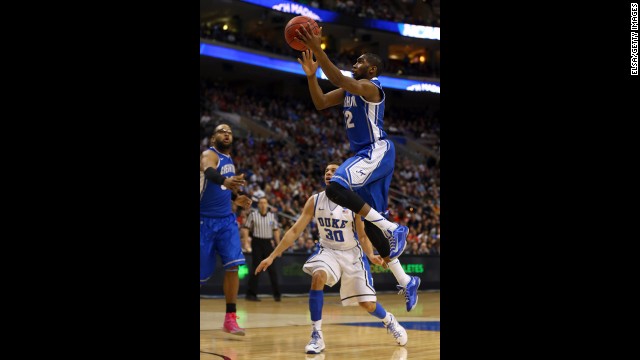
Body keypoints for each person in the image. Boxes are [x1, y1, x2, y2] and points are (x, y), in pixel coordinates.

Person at [294, 25, 421, 311]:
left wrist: (317, 48)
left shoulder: (370, 88)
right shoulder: (349, 89)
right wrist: (312, 76)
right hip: (367, 156)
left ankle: (393, 227)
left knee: (336, 186)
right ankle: (406, 280)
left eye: (361, 61)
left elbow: (338, 76)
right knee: (374, 231)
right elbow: (320, 102)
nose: (356, 63)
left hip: (377, 150)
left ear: (372, 69)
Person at [255, 161, 408, 354]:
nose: (329, 173)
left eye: (333, 171)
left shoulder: (354, 203)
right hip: (328, 251)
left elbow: (362, 235)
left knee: (367, 304)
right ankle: (316, 335)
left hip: (352, 254)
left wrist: (370, 254)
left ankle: (389, 320)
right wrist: (272, 256)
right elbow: (295, 231)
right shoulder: (315, 200)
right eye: (326, 171)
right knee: (318, 275)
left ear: (342, 176)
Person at [200, 124, 253, 336]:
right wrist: (226, 181)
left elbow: (222, 187)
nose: (227, 134)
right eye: (222, 131)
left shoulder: (230, 160)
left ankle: (230, 318)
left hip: (227, 221)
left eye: (230, 132)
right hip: (204, 221)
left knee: (233, 266)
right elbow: (210, 173)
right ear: (214, 138)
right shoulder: (208, 154)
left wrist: (235, 197)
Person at [241, 197, 282, 302]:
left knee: (272, 270)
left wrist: (279, 246)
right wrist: (246, 242)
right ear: (258, 205)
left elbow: (276, 231)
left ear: (267, 204)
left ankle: (277, 295)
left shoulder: (272, 217)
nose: (263, 205)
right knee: (256, 268)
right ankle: (251, 294)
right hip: (257, 242)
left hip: (268, 243)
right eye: (261, 203)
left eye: (265, 202)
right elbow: (245, 229)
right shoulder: (253, 215)